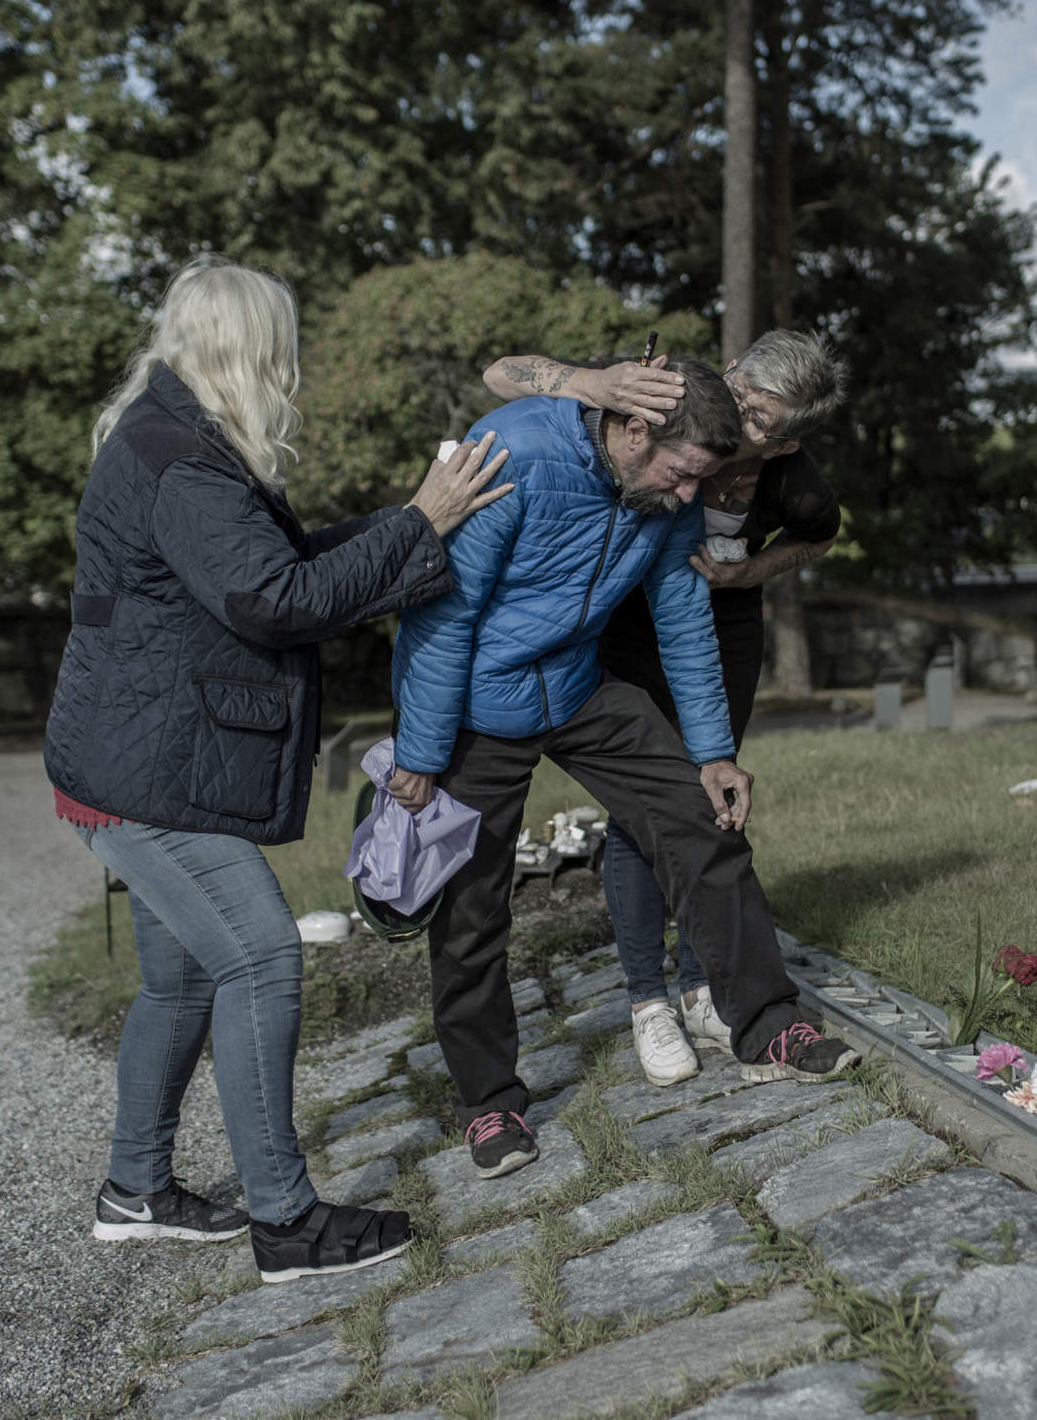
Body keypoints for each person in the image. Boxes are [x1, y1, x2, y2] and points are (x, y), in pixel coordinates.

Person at [42, 256, 512, 1282]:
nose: (292, 366)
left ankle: (135, 1189)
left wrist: (411, 523)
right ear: (250, 348)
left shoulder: (185, 440)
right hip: (146, 772)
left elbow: (283, 568)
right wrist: (418, 523)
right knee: (259, 955)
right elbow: (277, 601)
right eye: (282, 346)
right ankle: (287, 1223)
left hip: (132, 754)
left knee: (179, 978)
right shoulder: (182, 459)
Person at [385, 355, 860, 1181]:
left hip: (577, 684)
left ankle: (767, 1023)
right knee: (469, 908)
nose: (688, 501)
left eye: (698, 485)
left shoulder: (671, 487)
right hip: (475, 705)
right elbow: (442, 611)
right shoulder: (514, 454)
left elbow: (681, 618)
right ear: (634, 430)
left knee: (701, 822)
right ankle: (489, 1100)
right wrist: (423, 753)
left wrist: (712, 752)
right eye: (681, 478)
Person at [483, 331, 847, 1086]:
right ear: (734, 364)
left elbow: (818, 536)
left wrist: (749, 573)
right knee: (641, 810)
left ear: (782, 448)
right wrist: (599, 383)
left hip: (712, 628)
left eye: (761, 420)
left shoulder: (794, 482)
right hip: (620, 623)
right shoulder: (664, 394)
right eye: (740, 391)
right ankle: (648, 999)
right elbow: (502, 373)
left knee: (700, 802)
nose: (740, 415)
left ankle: (710, 993)